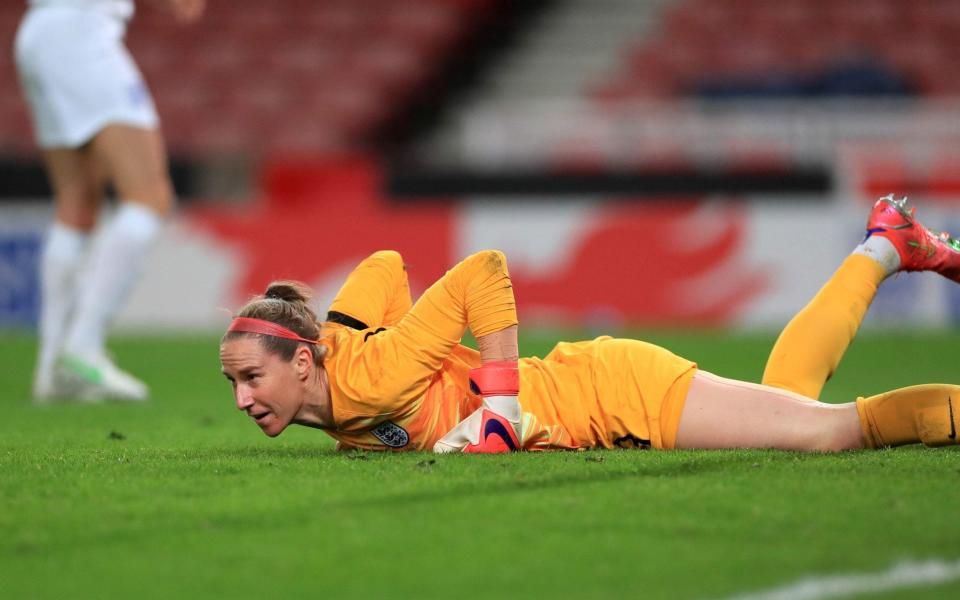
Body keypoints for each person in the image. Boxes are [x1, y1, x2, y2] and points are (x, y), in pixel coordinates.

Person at [219, 195, 960, 453]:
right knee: (788, 397)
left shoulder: (374, 377)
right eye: (234, 381)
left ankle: (886, 247)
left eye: (252, 377)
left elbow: (484, 269)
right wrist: (342, 328)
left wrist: (501, 414)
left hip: (614, 396)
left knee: (827, 431)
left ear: (302, 364)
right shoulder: (343, 368)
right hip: (593, 390)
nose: (243, 399)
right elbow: (382, 262)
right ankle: (886, 244)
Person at [15, 0, 205, 402]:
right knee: (149, 196)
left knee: (77, 202)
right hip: (82, 32)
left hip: (39, 31)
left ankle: (51, 371)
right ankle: (82, 346)